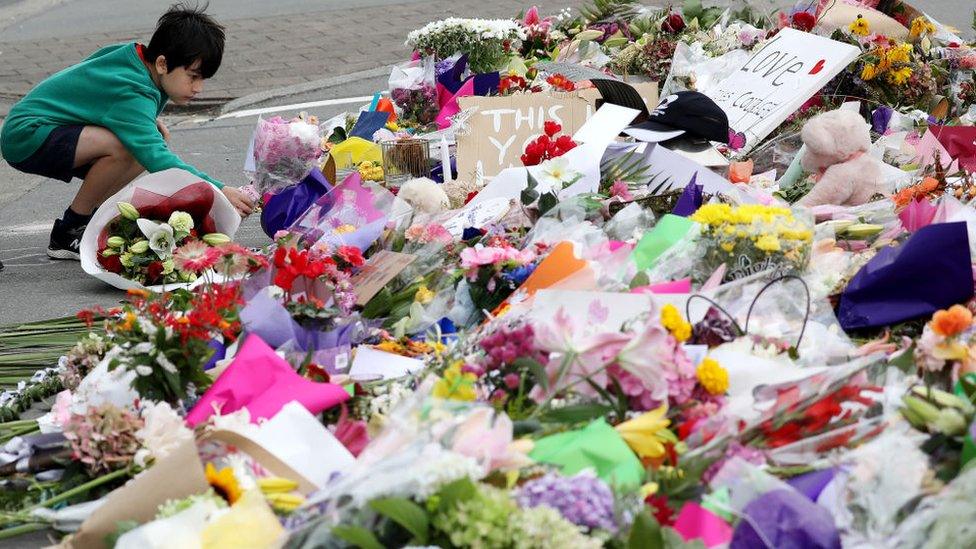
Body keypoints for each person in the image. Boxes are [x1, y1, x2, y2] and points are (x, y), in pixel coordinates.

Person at [0, 2, 254, 261]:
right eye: (193, 77)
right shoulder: (134, 91)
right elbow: (160, 161)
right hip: (27, 134)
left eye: (203, 79)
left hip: (45, 128)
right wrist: (219, 190)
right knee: (125, 146)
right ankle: (68, 231)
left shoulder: (135, 56)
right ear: (163, 63)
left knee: (151, 137)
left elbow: (92, 78)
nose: (198, 88)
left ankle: (90, 221)